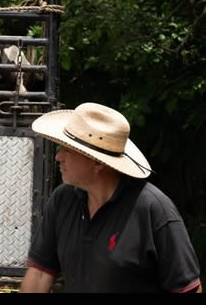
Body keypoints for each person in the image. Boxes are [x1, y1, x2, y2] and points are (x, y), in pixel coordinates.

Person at [20, 102, 202, 293]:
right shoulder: (62, 199)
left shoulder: (154, 210)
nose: (58, 157)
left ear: (97, 163)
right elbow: (40, 274)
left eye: (68, 150)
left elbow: (187, 290)